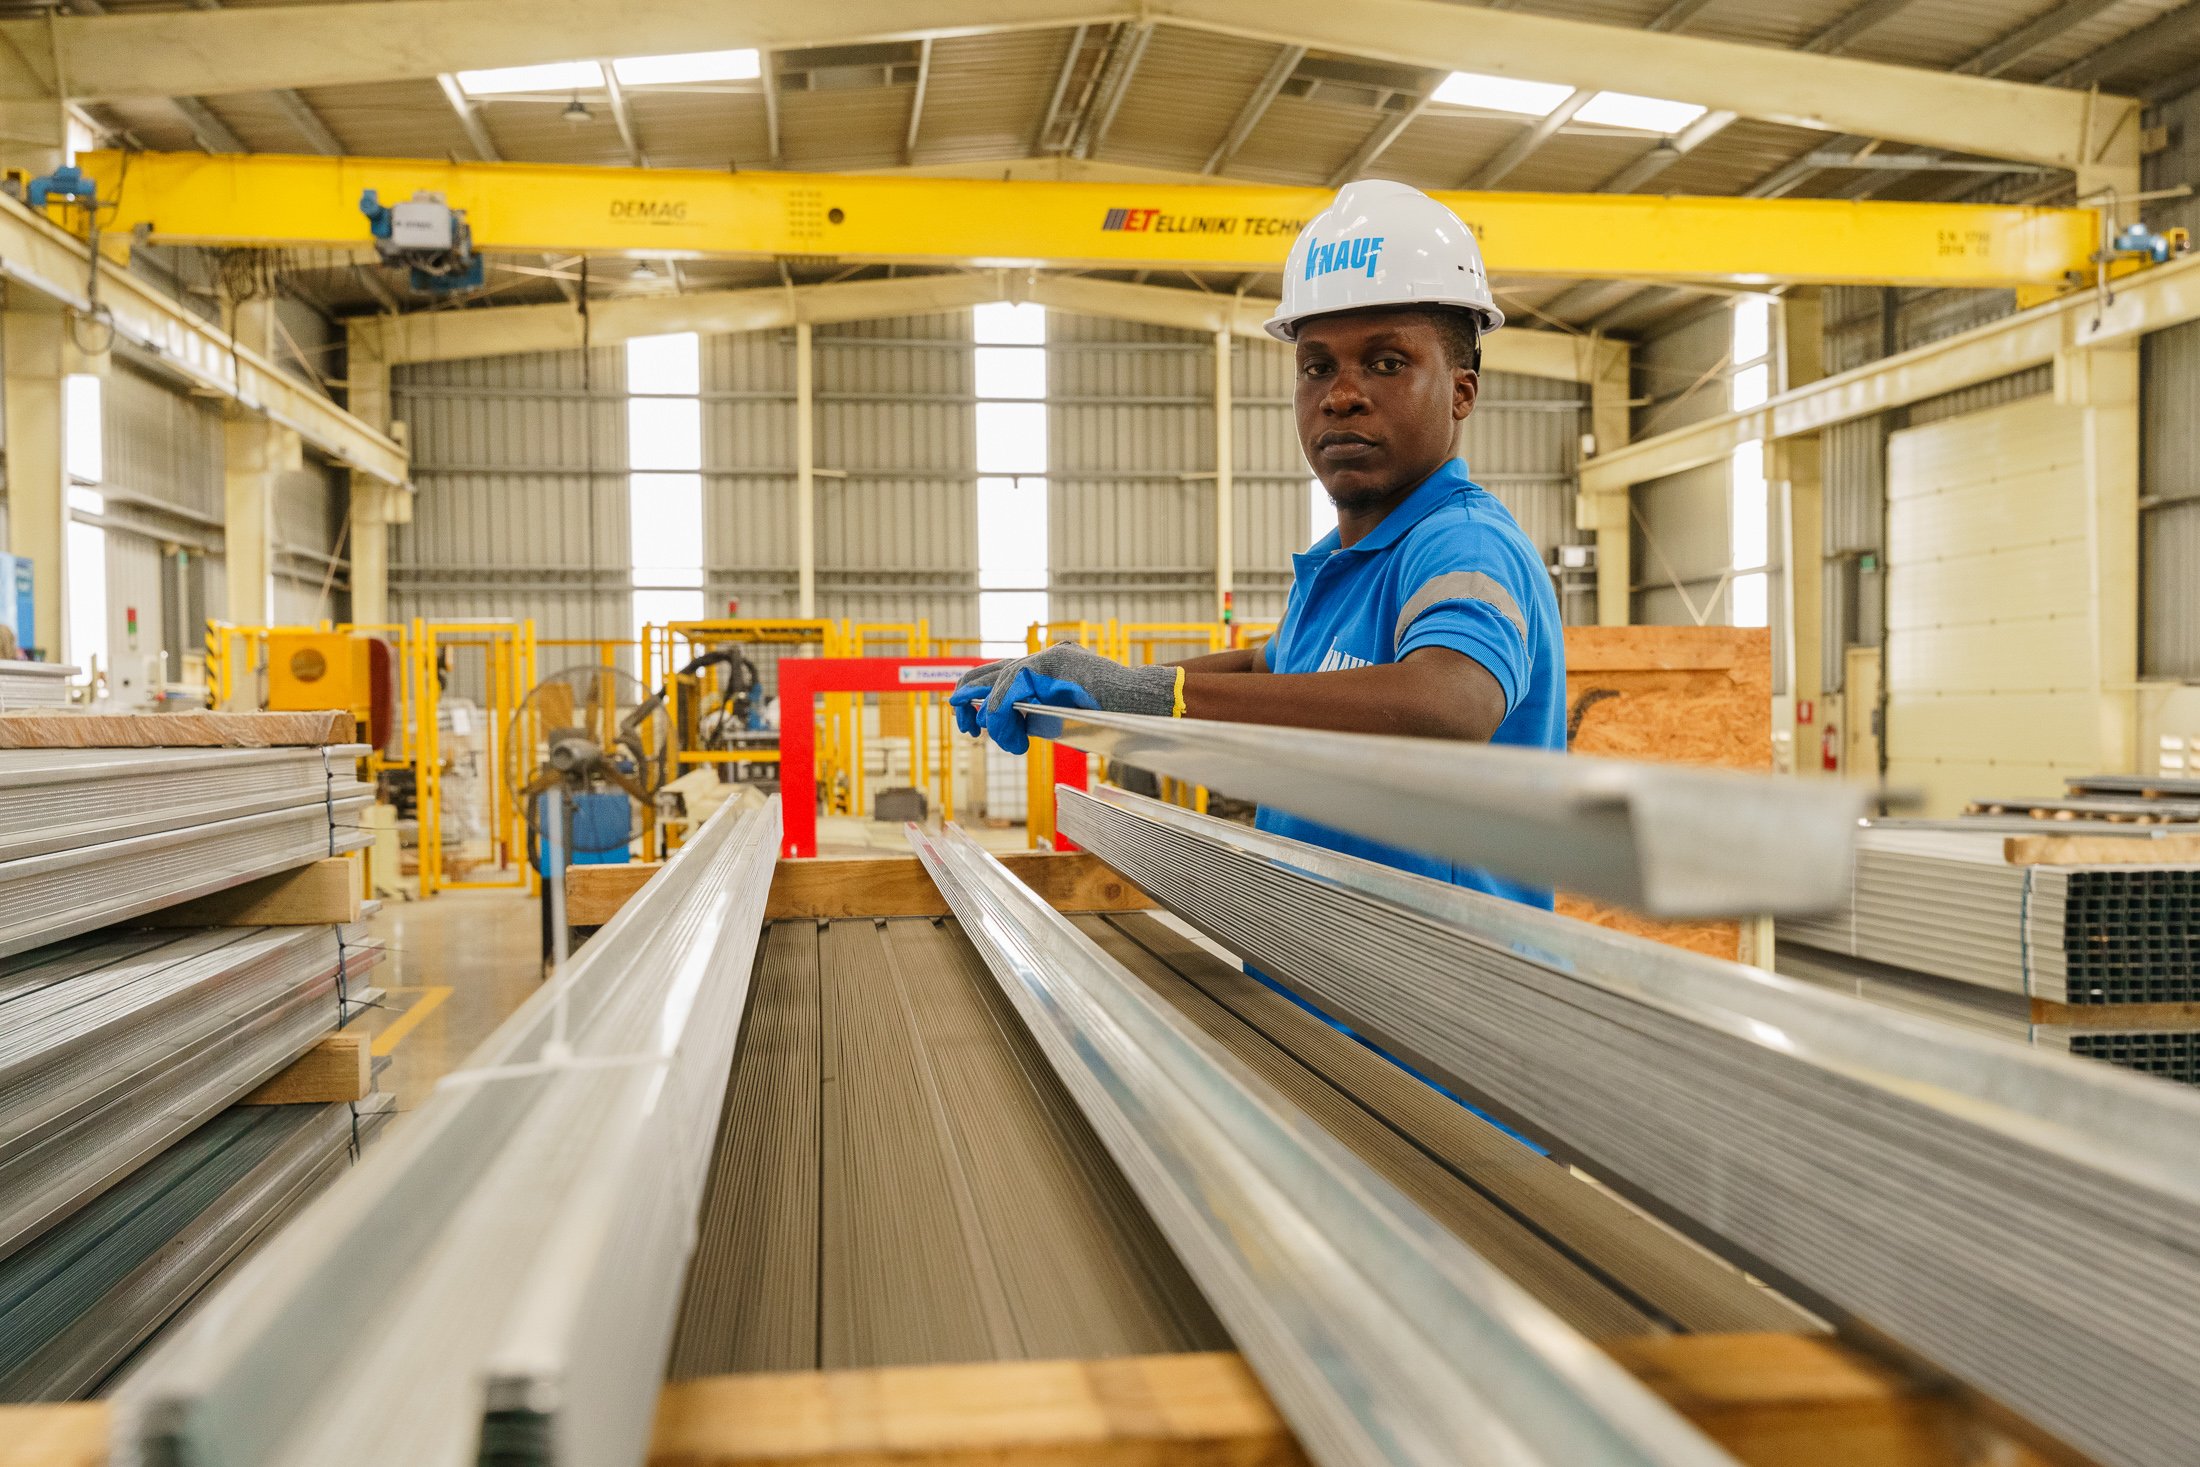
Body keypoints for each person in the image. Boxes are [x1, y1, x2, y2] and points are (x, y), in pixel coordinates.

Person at [952, 178, 1566, 908]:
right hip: (1324, 985)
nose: (1341, 393)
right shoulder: (1341, 566)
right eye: (1316, 366)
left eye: (1387, 362)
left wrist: (1159, 694)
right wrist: (1096, 684)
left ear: (1462, 390)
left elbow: (1449, 703)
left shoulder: (1463, 545)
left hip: (1437, 1001)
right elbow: (1263, 665)